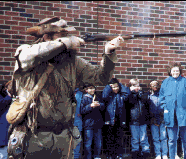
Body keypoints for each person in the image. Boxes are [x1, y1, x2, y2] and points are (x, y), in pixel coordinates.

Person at [7, 17, 124, 159]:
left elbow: (100, 77)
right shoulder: (26, 51)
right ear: (46, 37)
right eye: (62, 36)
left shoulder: (72, 62)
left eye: (67, 36)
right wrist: (66, 42)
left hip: (63, 137)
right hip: (33, 137)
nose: (68, 39)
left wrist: (109, 53)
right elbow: (30, 56)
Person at [159, 62, 186, 159]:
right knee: (171, 140)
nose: (175, 72)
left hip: (184, 114)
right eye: (173, 71)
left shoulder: (185, 81)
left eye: (177, 71)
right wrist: (165, 108)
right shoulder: (165, 82)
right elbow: (161, 97)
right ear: (170, 72)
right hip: (170, 115)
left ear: (180, 72)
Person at [102, 78, 130, 159]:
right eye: (113, 87)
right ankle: (109, 155)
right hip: (110, 120)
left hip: (119, 120)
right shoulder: (109, 96)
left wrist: (120, 84)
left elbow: (127, 94)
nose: (116, 89)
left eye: (117, 87)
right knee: (109, 138)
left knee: (119, 138)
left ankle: (118, 155)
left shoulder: (121, 95)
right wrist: (108, 86)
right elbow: (104, 95)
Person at [127, 79, 151, 159]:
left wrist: (140, 94)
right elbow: (129, 103)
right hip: (133, 120)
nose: (136, 87)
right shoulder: (129, 95)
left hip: (143, 120)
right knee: (135, 138)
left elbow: (146, 101)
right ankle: (135, 152)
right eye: (134, 86)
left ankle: (145, 152)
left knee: (143, 138)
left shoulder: (143, 94)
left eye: (138, 86)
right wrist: (133, 93)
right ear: (130, 87)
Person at [81, 83, 105, 159]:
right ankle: (88, 157)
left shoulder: (97, 96)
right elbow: (82, 110)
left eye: (93, 88)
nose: (92, 90)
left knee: (98, 143)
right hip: (88, 124)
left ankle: (97, 156)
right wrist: (90, 106)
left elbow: (104, 106)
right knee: (88, 143)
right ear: (86, 90)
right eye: (90, 88)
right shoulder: (84, 98)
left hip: (98, 123)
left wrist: (99, 105)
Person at [0, 81, 13, 159]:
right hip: (3, 127)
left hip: (14, 129)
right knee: (4, 154)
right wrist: (8, 97)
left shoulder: (17, 97)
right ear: (5, 88)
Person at [148, 80, 168, 159]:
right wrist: (153, 119)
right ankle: (158, 154)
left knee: (163, 138)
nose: (155, 87)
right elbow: (148, 109)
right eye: (153, 85)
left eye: (156, 85)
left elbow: (165, 107)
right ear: (150, 86)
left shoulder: (162, 95)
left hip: (162, 120)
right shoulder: (148, 95)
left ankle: (164, 154)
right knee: (155, 138)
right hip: (153, 121)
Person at [73, 87, 83, 159]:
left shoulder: (81, 94)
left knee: (77, 141)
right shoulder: (64, 93)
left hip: (77, 122)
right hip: (65, 122)